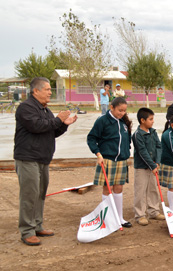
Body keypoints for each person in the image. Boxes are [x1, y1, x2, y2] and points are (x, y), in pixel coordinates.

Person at [14, 77, 77, 246]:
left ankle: (37, 225)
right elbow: (36, 126)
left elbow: (51, 131)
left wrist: (64, 124)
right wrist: (58, 120)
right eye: (48, 89)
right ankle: (27, 231)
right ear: (36, 91)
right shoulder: (26, 108)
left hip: (42, 158)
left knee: (40, 193)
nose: (50, 92)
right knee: (29, 194)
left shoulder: (45, 110)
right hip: (28, 158)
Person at [87, 97, 132, 228]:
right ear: (112, 107)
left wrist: (126, 150)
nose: (122, 113)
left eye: (124, 111)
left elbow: (127, 139)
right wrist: (98, 153)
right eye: (120, 110)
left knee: (119, 188)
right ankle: (107, 218)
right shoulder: (102, 121)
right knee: (108, 188)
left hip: (121, 160)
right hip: (107, 160)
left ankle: (119, 218)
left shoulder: (123, 122)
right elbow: (91, 138)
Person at [131, 108, 164, 226]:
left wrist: (157, 162)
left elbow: (159, 146)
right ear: (142, 120)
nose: (153, 121)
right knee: (140, 191)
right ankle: (140, 215)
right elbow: (142, 152)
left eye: (153, 119)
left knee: (153, 189)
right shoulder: (137, 135)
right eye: (150, 119)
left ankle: (154, 211)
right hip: (142, 167)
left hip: (154, 165)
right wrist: (151, 165)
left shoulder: (153, 132)